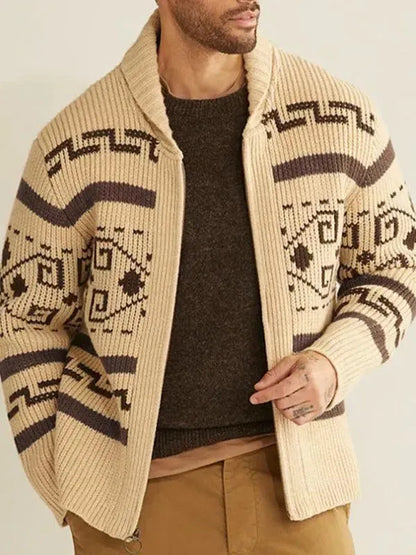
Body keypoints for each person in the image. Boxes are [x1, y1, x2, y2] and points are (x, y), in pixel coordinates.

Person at [1, 2, 415, 553]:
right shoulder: (74, 145)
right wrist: (64, 479)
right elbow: (25, 316)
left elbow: (395, 264)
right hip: (138, 507)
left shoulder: (338, 117)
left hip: (298, 486)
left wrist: (334, 362)